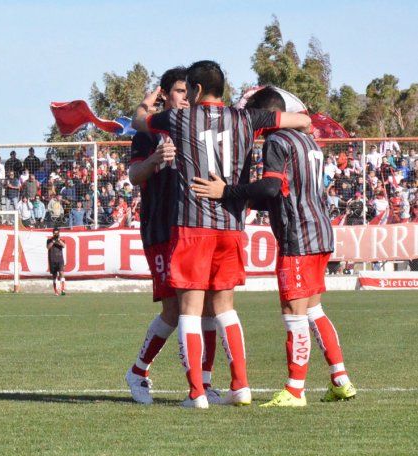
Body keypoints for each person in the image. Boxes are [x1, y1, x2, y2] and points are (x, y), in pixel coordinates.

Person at [133, 60, 311, 409]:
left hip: (192, 225)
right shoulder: (246, 118)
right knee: (225, 309)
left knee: (190, 310)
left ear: (197, 91)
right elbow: (301, 119)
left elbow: (141, 122)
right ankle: (241, 386)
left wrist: (144, 106)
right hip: (230, 225)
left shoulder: (179, 119)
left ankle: (197, 393)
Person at [192, 86, 356, 407]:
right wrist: (247, 199)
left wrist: (228, 192)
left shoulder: (277, 141)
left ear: (267, 119)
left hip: (298, 236)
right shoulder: (307, 141)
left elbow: (270, 186)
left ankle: (295, 390)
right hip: (321, 231)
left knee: (293, 314)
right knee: (313, 309)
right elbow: (284, 191)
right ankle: (340, 379)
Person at [124, 66, 220, 405]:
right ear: (165, 94)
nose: (186, 98)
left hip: (194, 226)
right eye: (179, 91)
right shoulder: (149, 133)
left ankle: (204, 383)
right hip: (161, 227)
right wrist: (153, 160)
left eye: (188, 92)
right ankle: (138, 371)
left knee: (205, 304)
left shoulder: (194, 127)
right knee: (175, 309)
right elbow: (134, 175)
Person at [46, 227, 66, 295]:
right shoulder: (49, 240)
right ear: (53, 233)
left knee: (61, 273)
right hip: (52, 259)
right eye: (55, 233)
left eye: (57, 233)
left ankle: (63, 290)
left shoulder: (61, 240)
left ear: (59, 233)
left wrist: (59, 240)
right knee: (54, 275)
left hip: (60, 259)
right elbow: (48, 247)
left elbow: (64, 246)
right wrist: (53, 241)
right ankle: (56, 291)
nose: (56, 234)